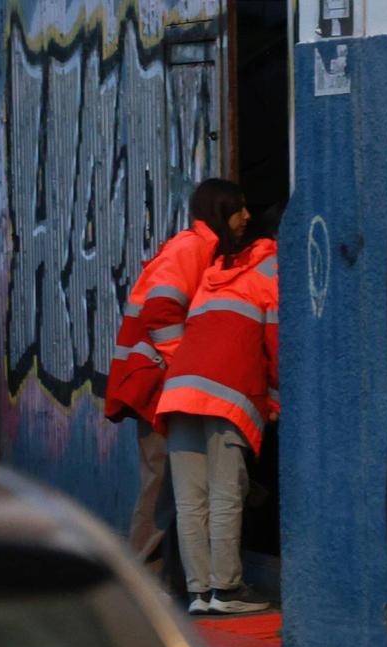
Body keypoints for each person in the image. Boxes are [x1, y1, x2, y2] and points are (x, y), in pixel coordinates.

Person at [105, 179, 250, 579]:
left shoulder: (203, 248)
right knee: (162, 486)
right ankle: (136, 585)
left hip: (160, 381)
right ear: (223, 211)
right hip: (157, 384)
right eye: (239, 208)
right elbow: (162, 310)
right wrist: (185, 364)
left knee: (172, 486)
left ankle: (159, 582)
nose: (246, 217)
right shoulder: (193, 248)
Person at [156, 203, 279, 615]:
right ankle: (226, 590)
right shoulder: (270, 268)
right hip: (227, 391)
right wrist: (274, 397)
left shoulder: (213, 274)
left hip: (178, 390)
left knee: (190, 499)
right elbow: (276, 339)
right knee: (227, 492)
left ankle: (199, 593)